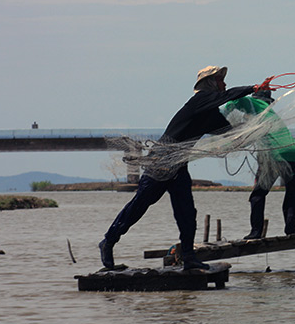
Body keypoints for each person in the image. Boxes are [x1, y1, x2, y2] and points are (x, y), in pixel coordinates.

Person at [99, 65, 270, 271]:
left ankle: (189, 257)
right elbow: (227, 96)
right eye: (220, 80)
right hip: (161, 161)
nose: (224, 84)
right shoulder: (199, 100)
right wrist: (253, 87)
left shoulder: (210, 113)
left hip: (179, 164)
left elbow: (228, 132)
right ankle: (108, 242)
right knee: (140, 205)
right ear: (210, 84)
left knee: (187, 212)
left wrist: (255, 124)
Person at [223, 89, 295, 239]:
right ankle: (292, 229)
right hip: (293, 153)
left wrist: (221, 119)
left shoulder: (254, 104)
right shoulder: (270, 116)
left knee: (258, 194)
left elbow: (235, 101)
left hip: (275, 155)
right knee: (292, 193)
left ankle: (256, 232)